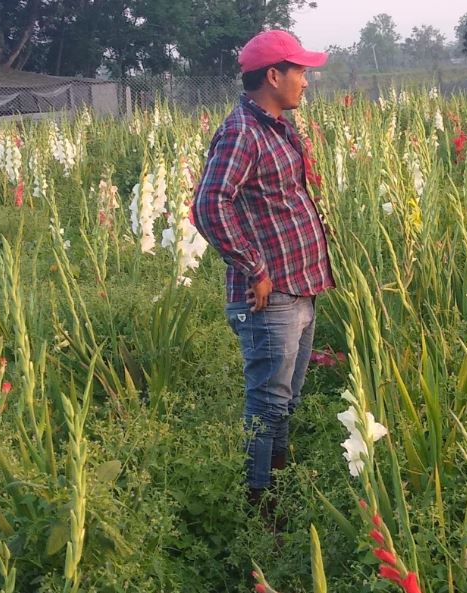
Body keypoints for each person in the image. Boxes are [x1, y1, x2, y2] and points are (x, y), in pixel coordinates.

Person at [192, 30, 334, 529]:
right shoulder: (243, 132)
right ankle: (260, 513)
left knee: (284, 404)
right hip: (269, 298)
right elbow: (209, 204)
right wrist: (253, 267)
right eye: (300, 71)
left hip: (298, 289)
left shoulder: (274, 127)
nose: (307, 81)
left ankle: (278, 490)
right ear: (273, 75)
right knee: (268, 406)